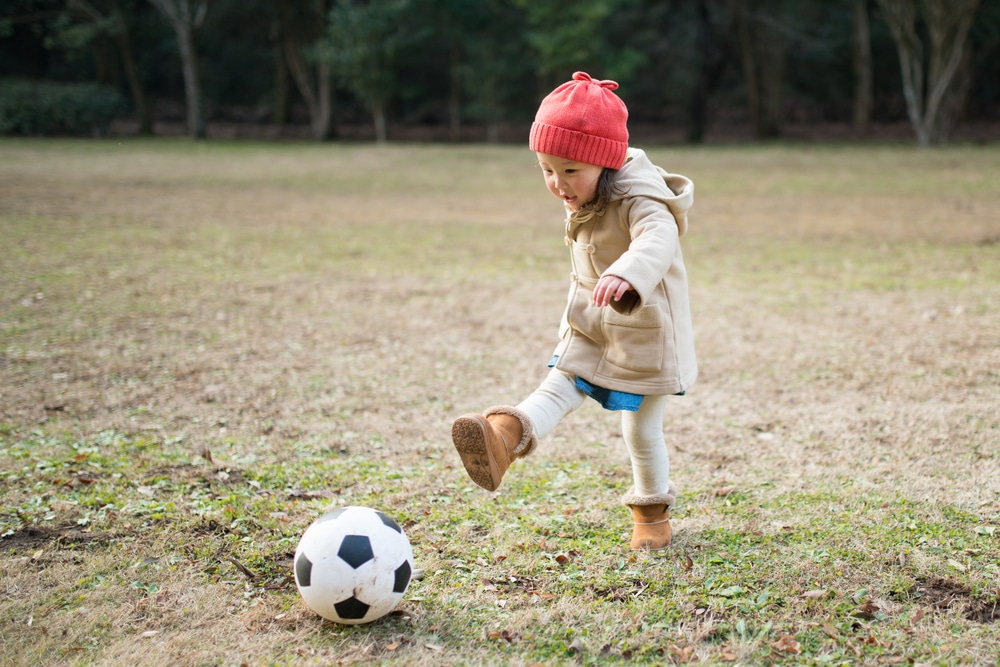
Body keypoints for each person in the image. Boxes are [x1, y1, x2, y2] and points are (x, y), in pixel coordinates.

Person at [451, 72, 696, 550]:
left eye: (569, 170)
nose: (557, 183)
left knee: (641, 426)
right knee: (560, 382)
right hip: (591, 321)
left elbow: (659, 238)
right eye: (546, 169)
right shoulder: (588, 189)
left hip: (645, 328)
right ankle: (501, 440)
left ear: (605, 163)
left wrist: (629, 272)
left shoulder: (641, 196)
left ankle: (651, 513)